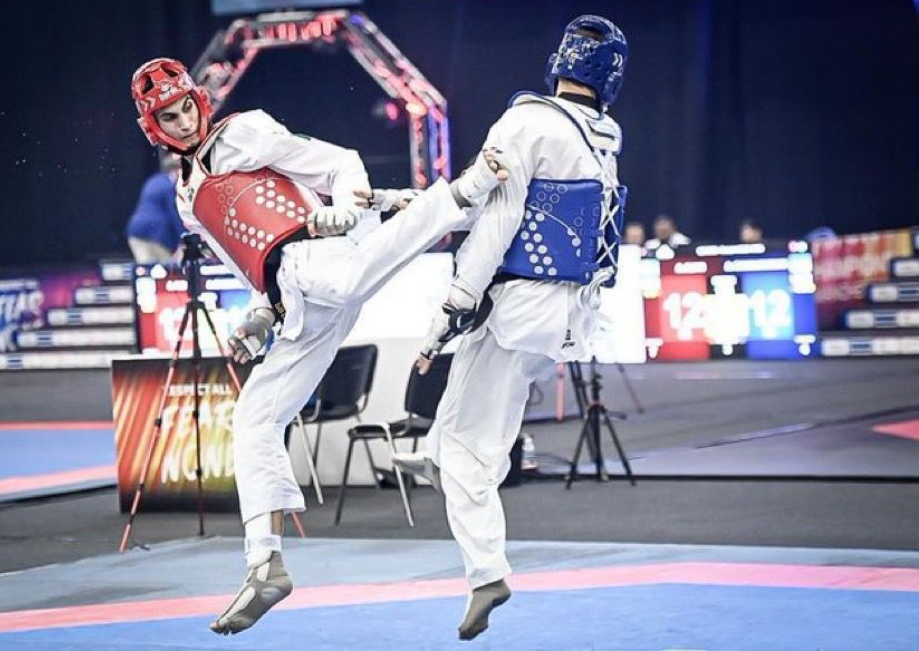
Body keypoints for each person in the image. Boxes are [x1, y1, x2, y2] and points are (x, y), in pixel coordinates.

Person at [130, 57, 510, 637]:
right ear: (153, 126)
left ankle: (463, 190)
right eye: (168, 116)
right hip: (294, 297)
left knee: (350, 277)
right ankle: (265, 563)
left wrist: (345, 206)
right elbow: (244, 261)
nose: (182, 121)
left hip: (319, 250)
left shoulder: (243, 131)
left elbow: (337, 163)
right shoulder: (185, 199)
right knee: (255, 416)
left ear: (199, 102)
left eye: (185, 108)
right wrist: (259, 315)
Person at [392, 15, 629, 641]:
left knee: (465, 454)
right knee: (463, 436)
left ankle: (485, 572)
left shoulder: (525, 122)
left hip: (516, 305)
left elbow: (499, 220)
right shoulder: (604, 134)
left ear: (559, 62)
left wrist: (453, 305)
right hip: (567, 314)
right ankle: (440, 461)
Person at [125, 154, 187, 263]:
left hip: (135, 233)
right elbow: (174, 215)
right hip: (156, 235)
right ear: (178, 170)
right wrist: (184, 237)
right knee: (169, 272)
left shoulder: (153, 181)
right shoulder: (169, 187)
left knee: (146, 272)